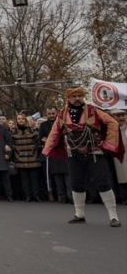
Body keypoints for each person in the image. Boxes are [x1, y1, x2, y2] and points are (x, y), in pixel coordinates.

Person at [42, 88, 123, 227]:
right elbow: (55, 131)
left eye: (80, 96)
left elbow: (112, 123)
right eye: (74, 96)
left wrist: (108, 144)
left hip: (94, 152)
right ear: (69, 99)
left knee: (102, 181)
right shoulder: (62, 113)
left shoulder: (94, 110)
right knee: (76, 182)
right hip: (73, 152)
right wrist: (48, 148)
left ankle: (113, 216)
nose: (77, 98)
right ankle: (79, 214)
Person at [39, 106, 70, 202]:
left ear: (57, 112)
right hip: (53, 154)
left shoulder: (63, 122)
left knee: (67, 176)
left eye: (53, 113)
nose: (51, 116)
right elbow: (41, 138)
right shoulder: (43, 125)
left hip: (64, 152)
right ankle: (63, 196)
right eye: (49, 114)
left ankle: (70, 196)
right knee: (57, 177)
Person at [10, 112, 43, 202]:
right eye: (19, 119)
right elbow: (10, 144)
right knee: (24, 179)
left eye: (22, 118)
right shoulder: (13, 132)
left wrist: (43, 140)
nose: (21, 120)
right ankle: (27, 196)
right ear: (16, 121)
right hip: (20, 157)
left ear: (25, 120)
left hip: (32, 157)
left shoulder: (32, 130)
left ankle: (36, 196)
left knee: (34, 179)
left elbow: (38, 142)